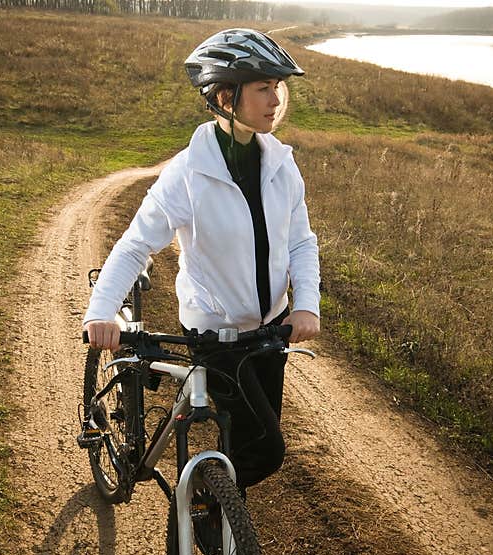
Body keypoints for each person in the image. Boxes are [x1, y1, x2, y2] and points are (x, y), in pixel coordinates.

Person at [83, 28, 320, 495]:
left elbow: (301, 242)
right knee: (265, 450)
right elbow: (136, 244)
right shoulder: (188, 173)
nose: (275, 99)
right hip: (217, 334)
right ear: (225, 96)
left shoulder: (281, 163)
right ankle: (196, 504)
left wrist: (306, 303)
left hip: (272, 330)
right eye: (263, 87)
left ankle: (224, 534)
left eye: (278, 87)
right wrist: (100, 312)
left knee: (243, 446)